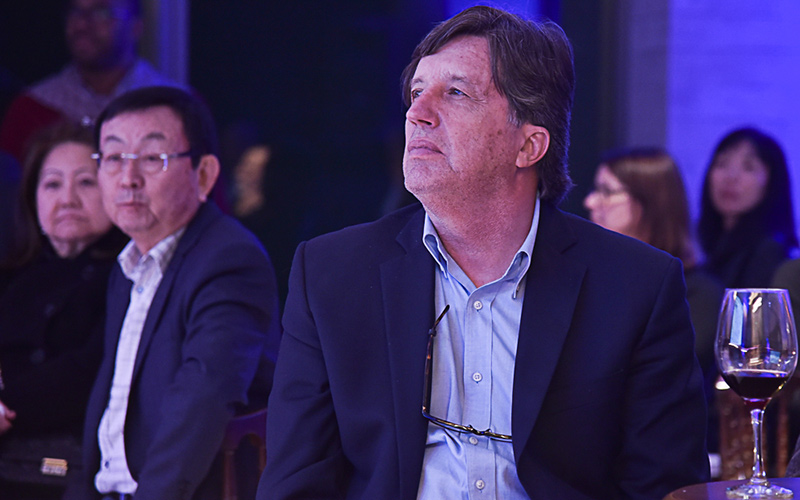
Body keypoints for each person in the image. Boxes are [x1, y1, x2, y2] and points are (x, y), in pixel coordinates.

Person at [259, 6, 709, 500]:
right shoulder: (331, 274)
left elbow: (665, 489)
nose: (417, 113)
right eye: (416, 92)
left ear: (529, 145)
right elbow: (295, 484)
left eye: (456, 93)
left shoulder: (637, 287)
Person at [62, 86, 281, 499]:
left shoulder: (229, 260)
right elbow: (109, 408)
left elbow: (203, 399)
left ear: (204, 174)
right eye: (113, 158)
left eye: (152, 158)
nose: (128, 178)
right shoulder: (128, 265)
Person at [0, 122, 127, 499]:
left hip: (72, 468)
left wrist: (7, 405)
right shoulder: (12, 274)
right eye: (52, 184)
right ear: (32, 198)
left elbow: (91, 369)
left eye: (86, 182)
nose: (67, 199)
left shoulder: (128, 274)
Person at [583, 148, 724, 387]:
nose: (590, 202)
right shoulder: (588, 279)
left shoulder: (697, 294)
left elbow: (666, 377)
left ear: (650, 202)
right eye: (595, 190)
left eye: (606, 191)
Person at [0, 0, 185, 163]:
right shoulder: (30, 110)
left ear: (136, 26)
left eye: (101, 12)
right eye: (75, 11)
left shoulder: (178, 107)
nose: (81, 24)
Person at [697, 127, 798, 289]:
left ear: (771, 183)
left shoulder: (768, 252)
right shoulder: (709, 246)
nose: (731, 177)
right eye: (722, 163)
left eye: (748, 167)